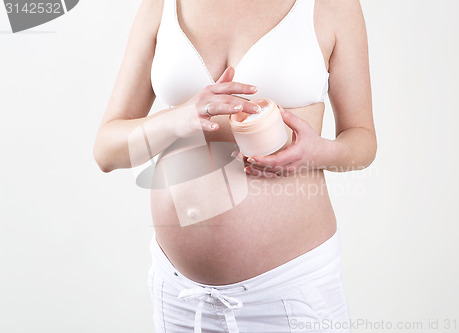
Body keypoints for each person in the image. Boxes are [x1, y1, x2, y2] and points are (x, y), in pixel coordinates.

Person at [93, 0, 376, 332]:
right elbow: (107, 150)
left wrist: (318, 153)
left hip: (288, 291)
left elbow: (363, 141)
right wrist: (179, 118)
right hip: (180, 297)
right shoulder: (162, 5)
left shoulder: (331, 7)